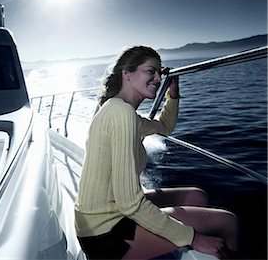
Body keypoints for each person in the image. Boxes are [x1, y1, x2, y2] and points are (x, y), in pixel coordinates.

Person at [74, 46, 239, 260]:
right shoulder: (121, 114)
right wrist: (192, 237)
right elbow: (130, 203)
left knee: (196, 196)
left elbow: (164, 127)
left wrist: (173, 95)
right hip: (105, 234)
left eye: (160, 73)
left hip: (105, 217)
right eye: (150, 71)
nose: (158, 78)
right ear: (127, 73)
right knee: (227, 222)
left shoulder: (123, 113)